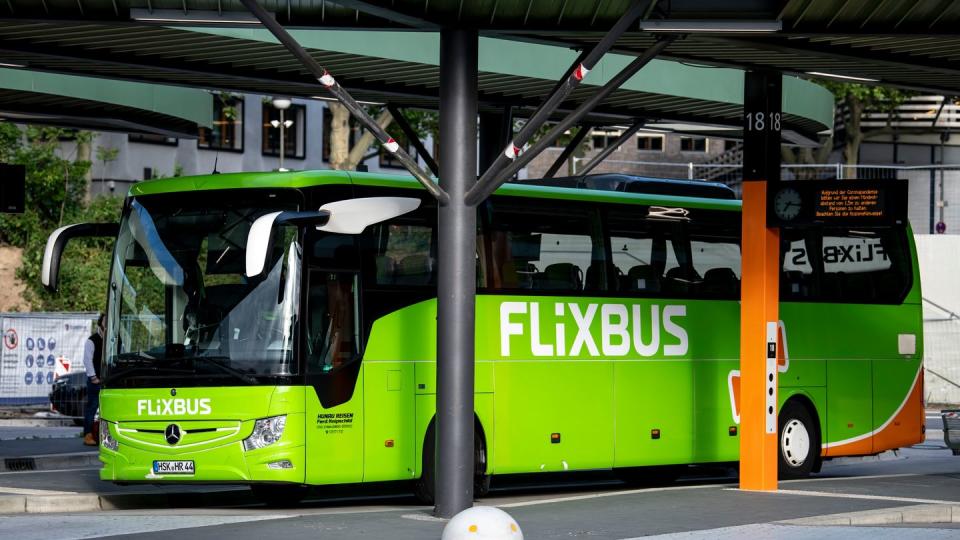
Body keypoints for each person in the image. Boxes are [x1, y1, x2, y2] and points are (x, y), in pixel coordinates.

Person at [81, 315, 105, 446]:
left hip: (108, 380)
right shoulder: (92, 340)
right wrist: (93, 377)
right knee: (92, 407)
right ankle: (88, 435)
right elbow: (87, 360)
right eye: (105, 320)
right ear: (100, 323)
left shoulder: (112, 339)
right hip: (96, 381)